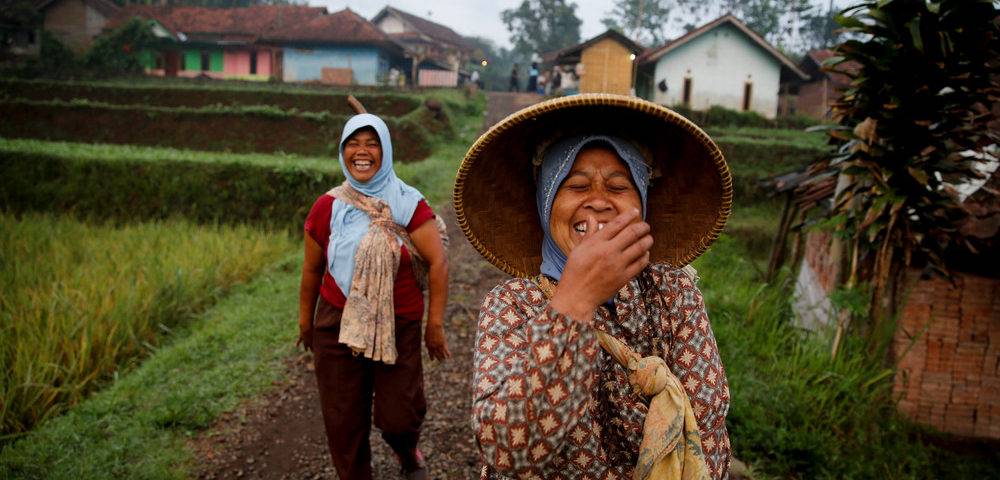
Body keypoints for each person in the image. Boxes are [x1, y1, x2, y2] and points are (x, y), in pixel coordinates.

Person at [453, 94, 733, 479]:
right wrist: (576, 300)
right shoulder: (512, 305)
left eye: (619, 187)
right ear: (546, 203)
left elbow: (707, 432)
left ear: (644, 203)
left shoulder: (674, 295)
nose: (598, 202)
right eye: (577, 186)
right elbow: (507, 451)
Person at [299, 112, 450, 480]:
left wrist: (435, 324)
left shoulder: (407, 202)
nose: (361, 152)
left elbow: (437, 262)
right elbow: (311, 270)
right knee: (343, 419)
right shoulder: (328, 206)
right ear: (342, 151)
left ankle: (406, 449)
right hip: (337, 321)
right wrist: (306, 320)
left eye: (372, 144)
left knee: (400, 415)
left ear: (386, 152)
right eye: (353, 143)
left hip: (398, 322)